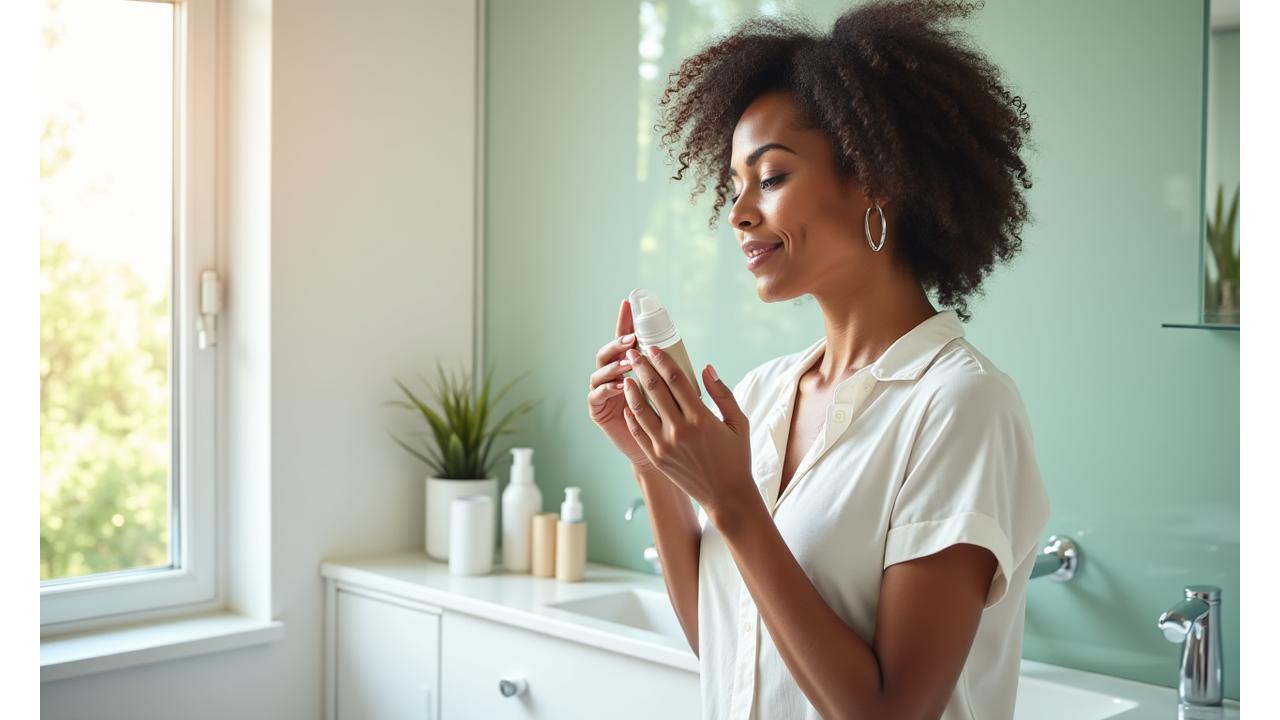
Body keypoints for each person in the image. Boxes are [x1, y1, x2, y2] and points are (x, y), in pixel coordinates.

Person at [587, 1, 1049, 718]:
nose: (739, 212)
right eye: (734, 185)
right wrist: (652, 461)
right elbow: (732, 647)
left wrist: (734, 500)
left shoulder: (959, 406)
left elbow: (891, 712)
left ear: (874, 179)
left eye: (770, 178)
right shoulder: (766, 393)